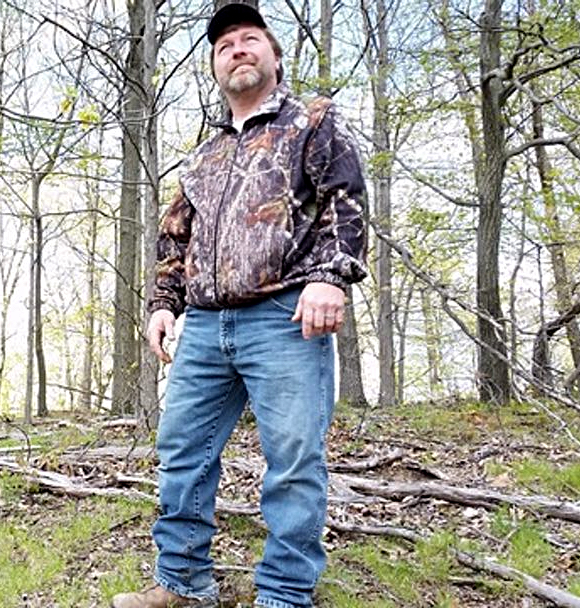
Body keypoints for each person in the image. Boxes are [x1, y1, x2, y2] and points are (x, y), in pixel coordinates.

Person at [110, 1, 367, 607]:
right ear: (214, 67)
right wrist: (162, 304)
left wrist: (331, 277)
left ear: (275, 57)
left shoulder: (314, 122)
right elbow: (174, 234)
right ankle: (183, 582)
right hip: (202, 324)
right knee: (181, 453)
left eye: (251, 39)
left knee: (294, 458)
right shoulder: (203, 154)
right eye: (225, 46)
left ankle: (283, 593)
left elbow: (346, 199)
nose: (238, 50)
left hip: (286, 317)